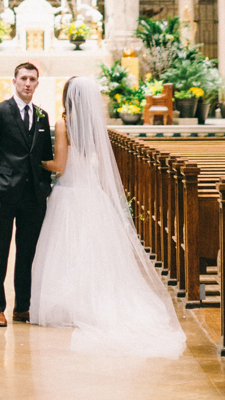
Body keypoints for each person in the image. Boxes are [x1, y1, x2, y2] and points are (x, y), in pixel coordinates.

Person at [31, 75, 186, 358]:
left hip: (68, 194)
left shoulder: (63, 124)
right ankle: (95, 300)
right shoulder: (94, 127)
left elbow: (61, 166)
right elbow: (100, 169)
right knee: (95, 252)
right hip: (92, 194)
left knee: (68, 251)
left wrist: (36, 161)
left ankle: (70, 303)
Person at [0, 62, 53, 327]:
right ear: (14, 81)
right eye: (23, 78)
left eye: (32, 79)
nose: (28, 83)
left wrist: (44, 188)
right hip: (4, 193)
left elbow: (46, 157)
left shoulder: (42, 116)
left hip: (33, 196)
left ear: (37, 83)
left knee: (28, 254)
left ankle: (23, 306)